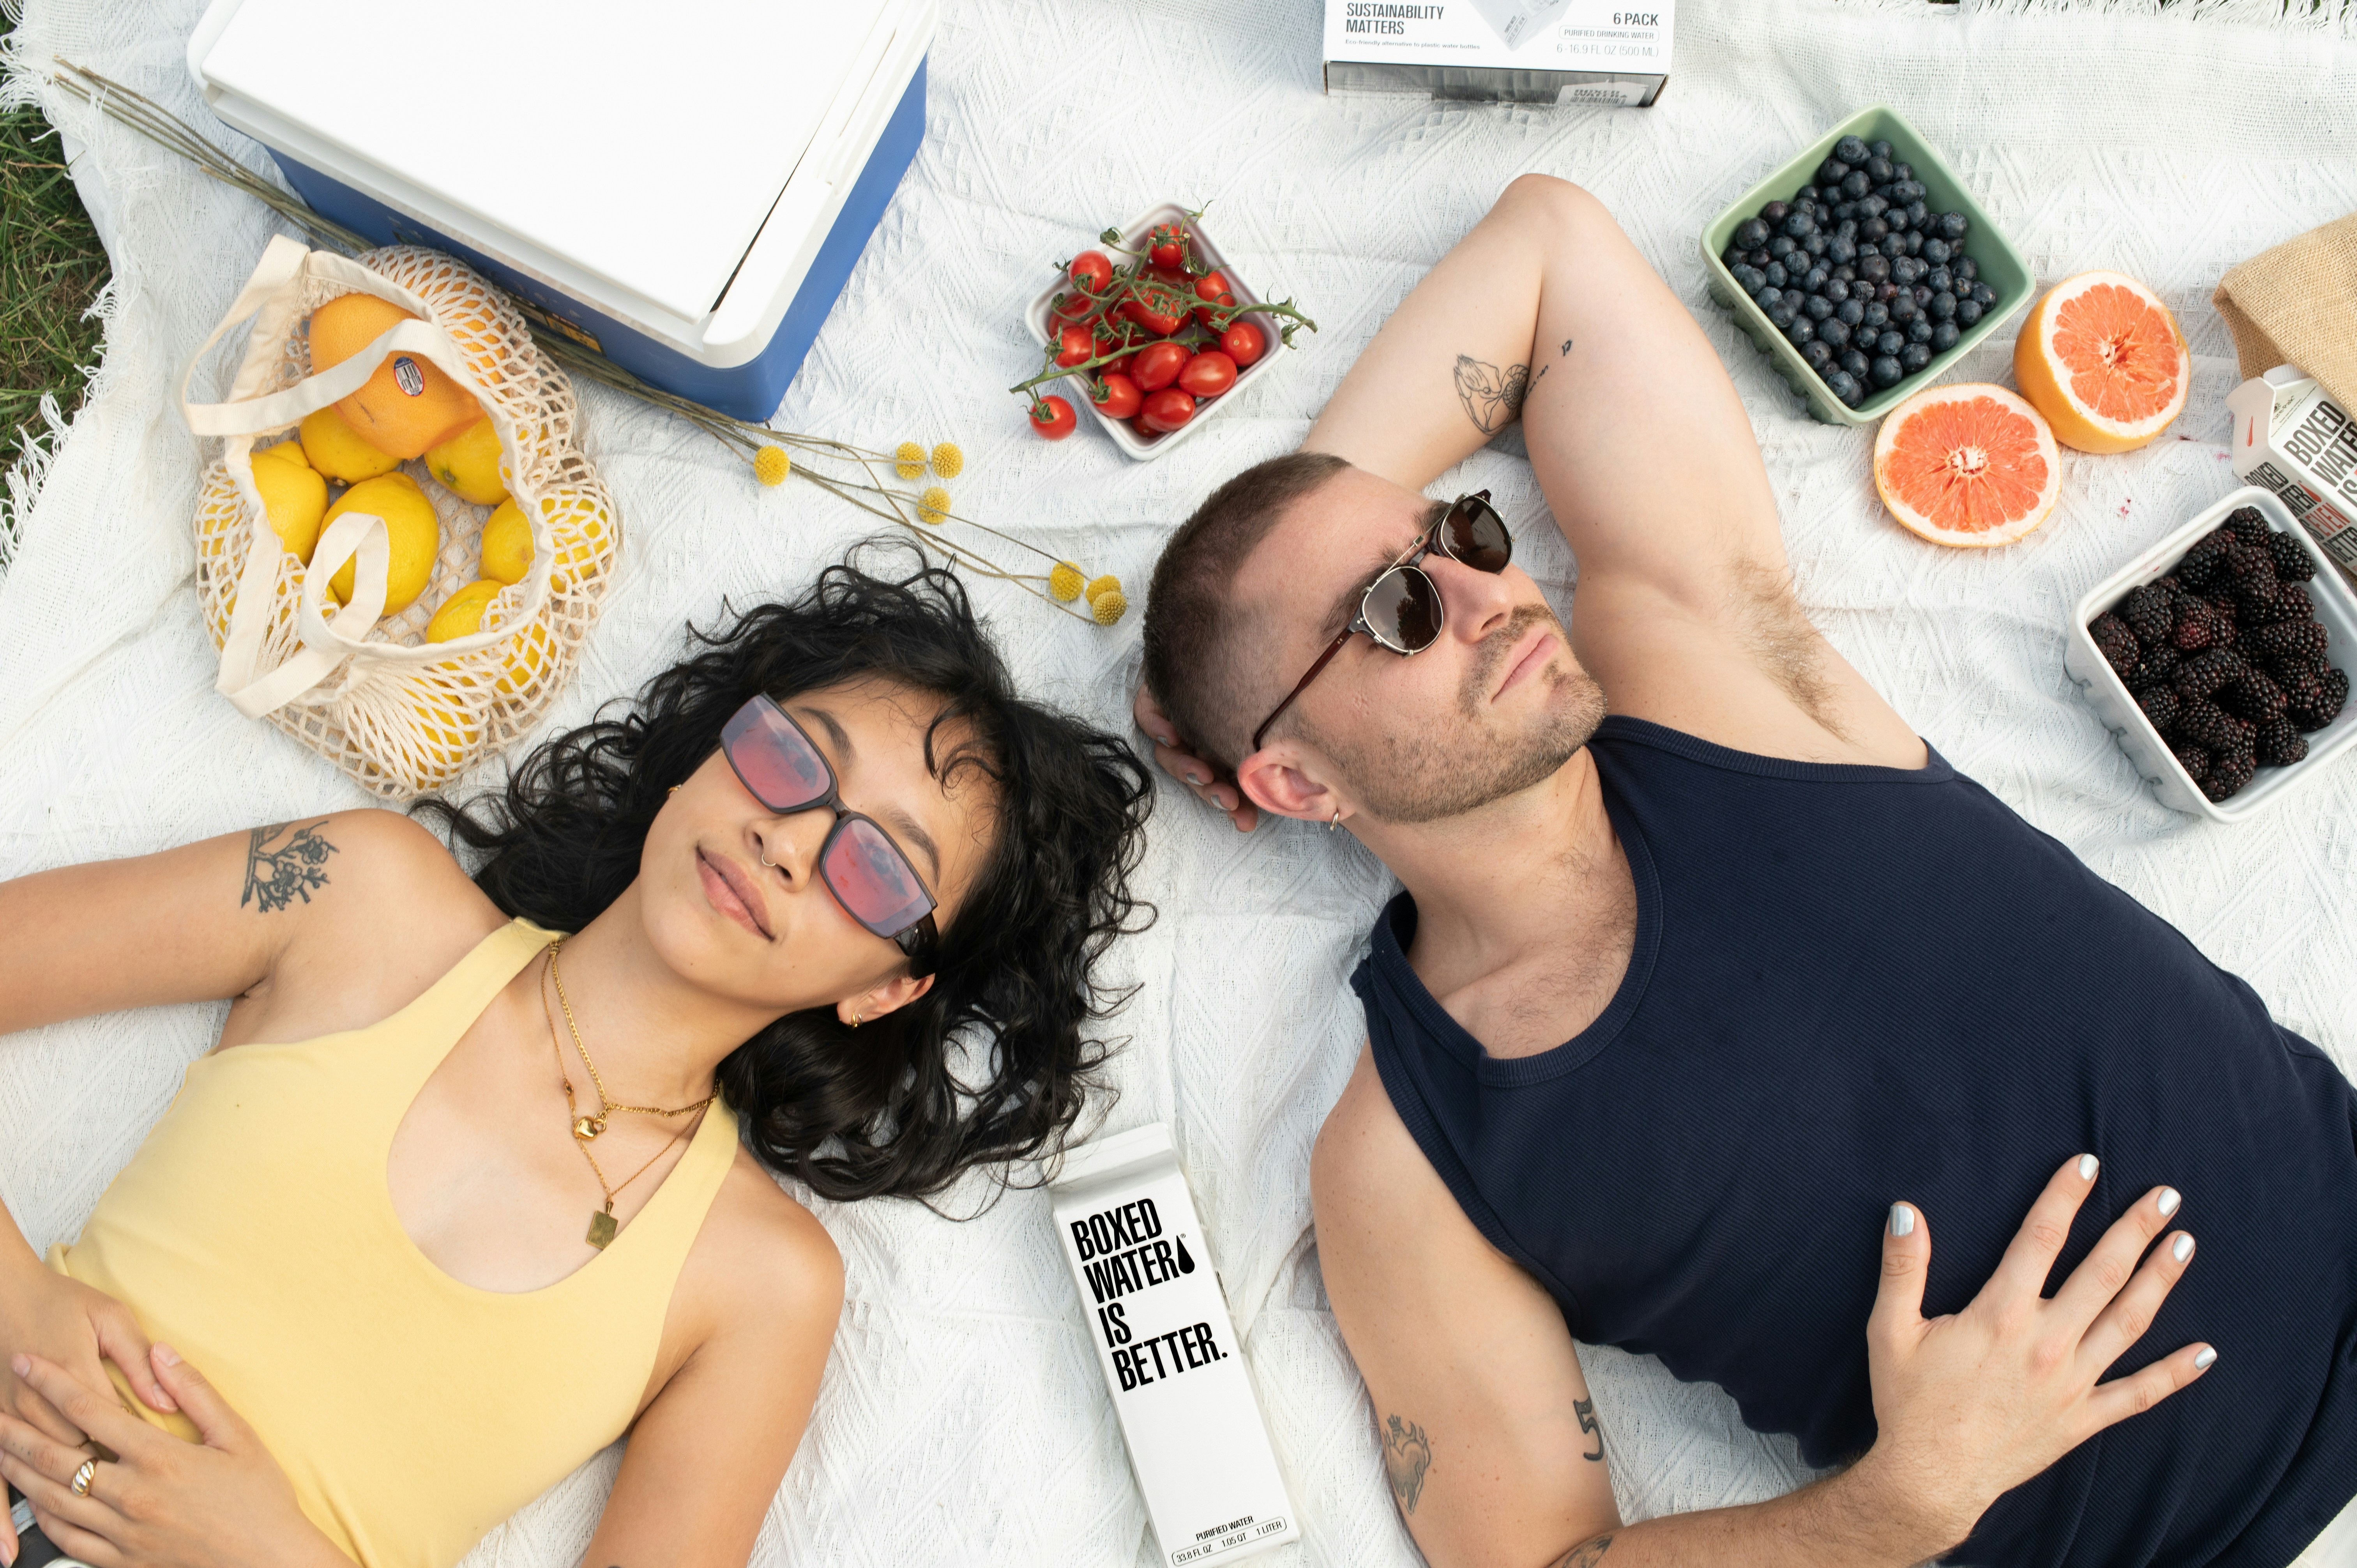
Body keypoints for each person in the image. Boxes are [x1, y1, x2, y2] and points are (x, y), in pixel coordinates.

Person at [1134, 174, 2357, 1568]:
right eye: (1396, 610)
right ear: (1299, 789)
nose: (1493, 593)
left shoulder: (1702, 671)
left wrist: (1264, 572)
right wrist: (1899, 1507)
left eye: (1460, 533)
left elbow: (1552, 246)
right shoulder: (1403, 1161)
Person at [0, 558, 1151, 1568]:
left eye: (882, 871)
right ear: (707, 757)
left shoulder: (762, 1284)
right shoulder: (358, 896)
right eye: (791, 757)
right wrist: (21, 1314)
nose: (791, 841)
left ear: (886, 989)